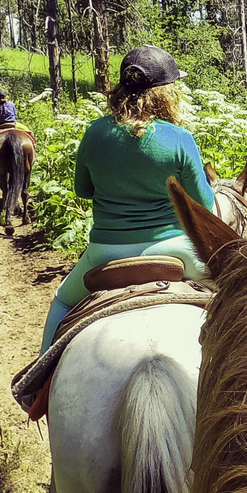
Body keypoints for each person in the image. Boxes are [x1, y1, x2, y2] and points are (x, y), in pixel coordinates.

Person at [41, 45, 216, 350]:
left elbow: (83, 191)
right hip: (177, 251)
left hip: (105, 253)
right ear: (165, 93)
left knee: (61, 303)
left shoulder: (94, 133)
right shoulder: (180, 139)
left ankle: (32, 392)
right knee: (237, 298)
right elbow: (206, 206)